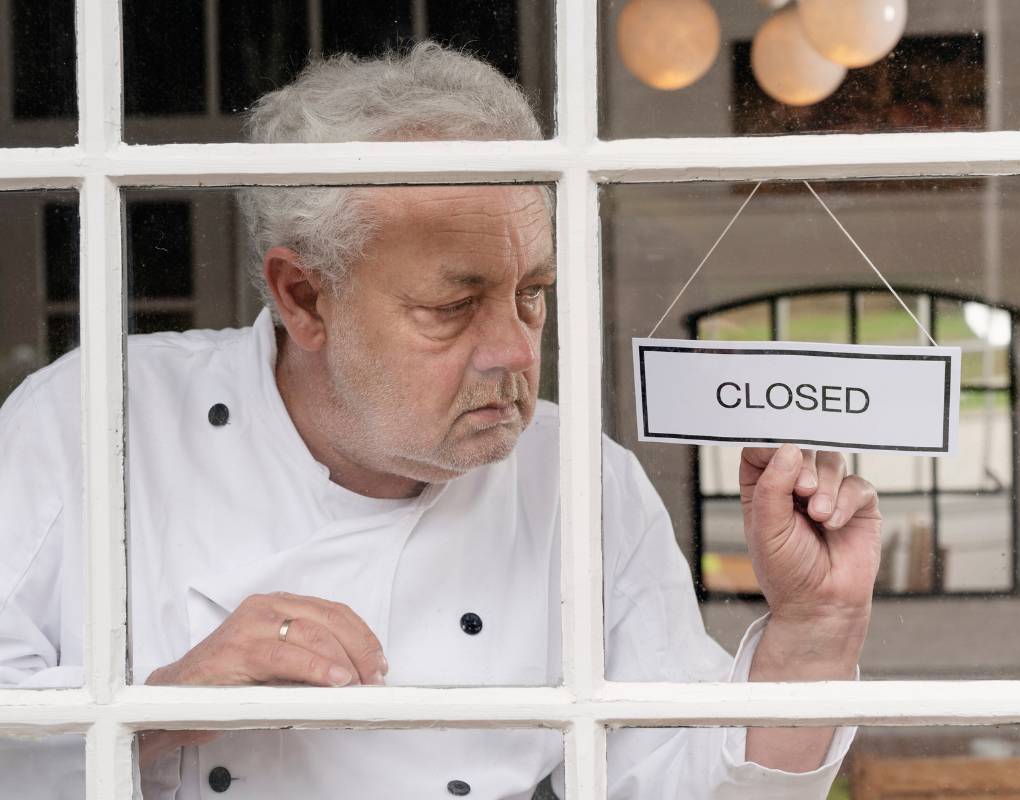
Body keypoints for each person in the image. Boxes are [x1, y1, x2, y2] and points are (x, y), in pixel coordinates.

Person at [0, 44, 881, 799]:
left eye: (531, 295)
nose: (513, 351)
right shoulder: (95, 426)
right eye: (452, 306)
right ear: (304, 298)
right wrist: (162, 705)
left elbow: (678, 782)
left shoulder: (578, 478)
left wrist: (813, 633)